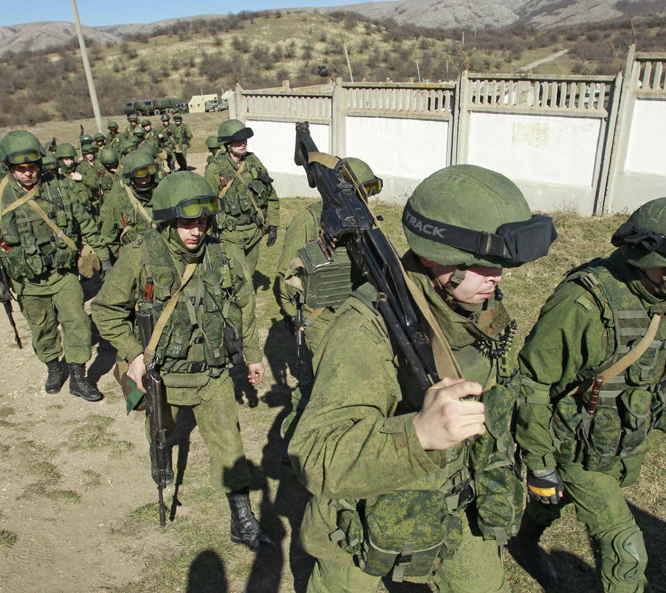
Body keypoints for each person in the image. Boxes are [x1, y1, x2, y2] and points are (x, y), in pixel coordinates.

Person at [289, 165, 558, 593]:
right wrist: (418, 432)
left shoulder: (473, 304)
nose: (496, 278)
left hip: (456, 500)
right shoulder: (365, 328)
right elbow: (316, 456)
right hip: (363, 512)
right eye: (484, 265)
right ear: (436, 256)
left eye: (501, 265)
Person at [510, 197, 666, 593]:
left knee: (556, 499)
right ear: (648, 257)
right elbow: (533, 382)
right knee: (623, 544)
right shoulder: (583, 304)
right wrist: (540, 461)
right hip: (575, 444)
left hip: (617, 440)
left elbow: (665, 366)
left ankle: (524, 540)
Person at [91, 172, 274, 552]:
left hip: (212, 375)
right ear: (169, 221)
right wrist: (134, 353)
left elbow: (244, 307)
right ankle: (161, 466)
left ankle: (241, 519)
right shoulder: (140, 256)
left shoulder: (225, 254)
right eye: (187, 223)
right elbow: (106, 310)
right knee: (160, 431)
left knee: (230, 445)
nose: (196, 231)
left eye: (202, 222)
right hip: (163, 375)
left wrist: (253, 356)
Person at [0, 130, 111, 401]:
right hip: (27, 280)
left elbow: (87, 225)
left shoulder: (59, 188)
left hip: (63, 273)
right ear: (10, 168)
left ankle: (78, 376)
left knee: (77, 320)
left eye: (32, 167)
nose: (28, 174)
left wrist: (103, 257)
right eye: (20, 169)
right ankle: (53, 368)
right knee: (41, 326)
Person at [274, 158, 379, 445]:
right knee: (315, 383)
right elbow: (285, 277)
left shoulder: (365, 218)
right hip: (318, 315)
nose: (367, 198)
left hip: (355, 310)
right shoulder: (308, 221)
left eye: (370, 191)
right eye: (362, 191)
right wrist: (296, 318)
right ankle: (295, 442)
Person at [203, 119, 279, 282]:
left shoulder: (253, 161)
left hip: (254, 230)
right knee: (242, 277)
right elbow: (208, 203)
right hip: (231, 234)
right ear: (227, 144)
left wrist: (273, 224)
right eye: (237, 141)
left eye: (244, 140)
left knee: (248, 273)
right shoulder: (215, 169)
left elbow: (270, 194)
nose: (242, 144)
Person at [99, 149, 160, 260]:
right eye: (140, 174)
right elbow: (108, 233)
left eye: (149, 171)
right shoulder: (120, 196)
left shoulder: (161, 190)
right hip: (134, 257)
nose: (145, 178)